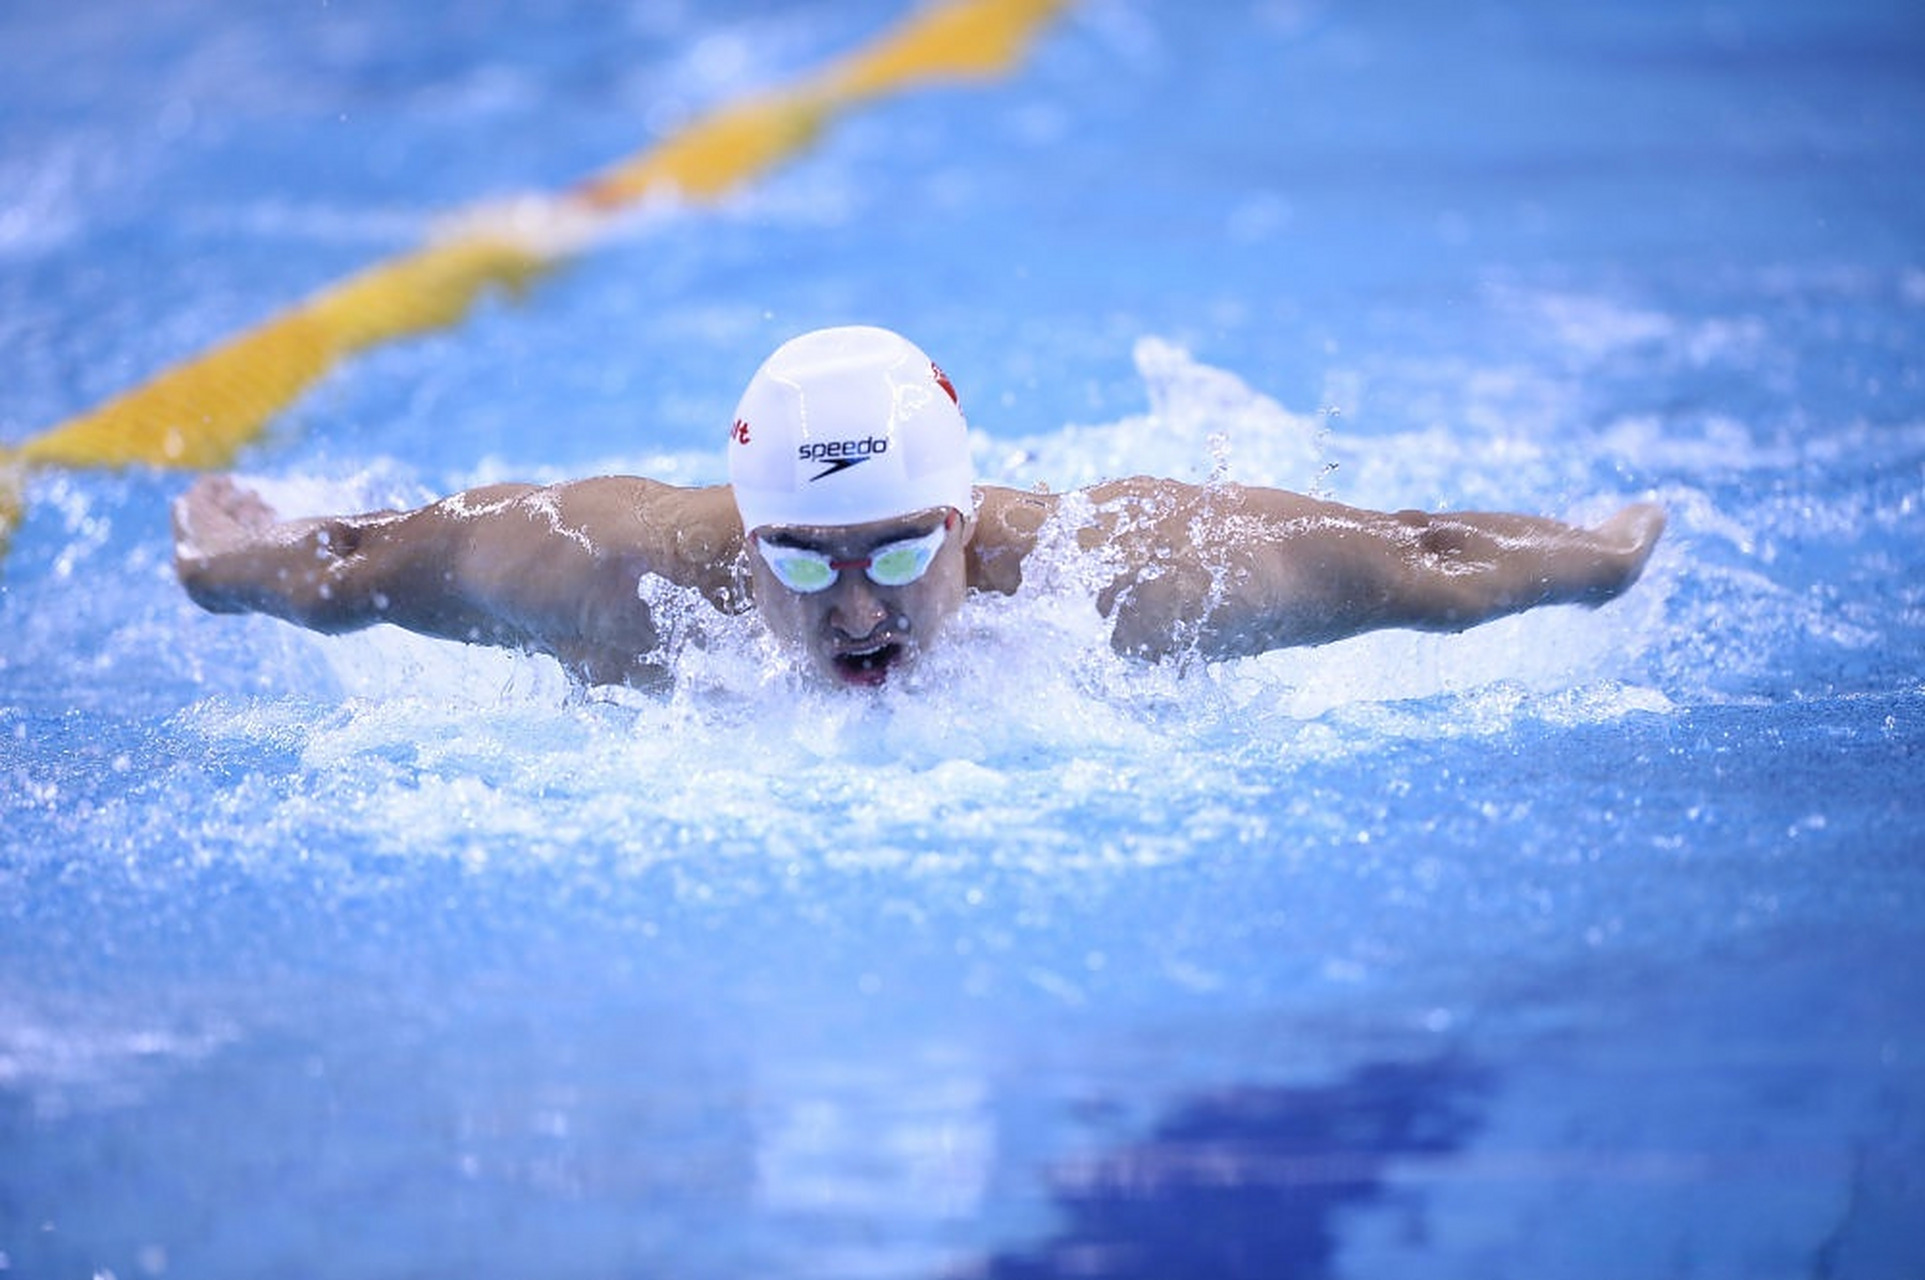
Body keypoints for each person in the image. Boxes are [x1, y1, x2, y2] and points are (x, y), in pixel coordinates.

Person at [172, 325, 1666, 691]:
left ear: (962, 525)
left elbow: (1418, 554)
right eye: (802, 564)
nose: (858, 608)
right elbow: (365, 563)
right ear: (740, 537)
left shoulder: (1125, 576)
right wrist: (231, 566)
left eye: (896, 549)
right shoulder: (608, 573)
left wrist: (1589, 566)